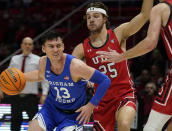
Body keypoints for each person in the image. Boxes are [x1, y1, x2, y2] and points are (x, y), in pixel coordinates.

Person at [72, 0, 153, 131]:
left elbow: (144, 15)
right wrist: (83, 78)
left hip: (124, 93)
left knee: (124, 124)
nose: (91, 20)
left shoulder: (118, 34)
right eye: (88, 17)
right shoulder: (81, 49)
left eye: (96, 16)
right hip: (101, 101)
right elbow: (71, 74)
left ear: (105, 18)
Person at [96, 0, 172, 130]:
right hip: (103, 97)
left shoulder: (160, 8)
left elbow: (150, 42)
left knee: (151, 128)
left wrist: (121, 56)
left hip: (123, 94)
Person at [23, 30, 111, 131]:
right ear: (44, 49)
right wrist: (20, 77)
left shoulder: (75, 66)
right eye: (51, 46)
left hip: (73, 115)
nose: (55, 50)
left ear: (63, 46)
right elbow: (40, 75)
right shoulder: (43, 62)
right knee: (33, 128)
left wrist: (91, 105)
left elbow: (105, 81)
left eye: (58, 46)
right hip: (51, 109)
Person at [0, 37, 49, 131]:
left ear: (33, 46)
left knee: (35, 123)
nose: (27, 46)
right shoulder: (14, 59)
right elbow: (6, 75)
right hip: (16, 96)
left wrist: (44, 94)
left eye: (30, 44)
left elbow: (44, 78)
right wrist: (1, 89)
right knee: (15, 123)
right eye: (25, 44)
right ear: (21, 45)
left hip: (31, 97)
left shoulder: (38, 60)